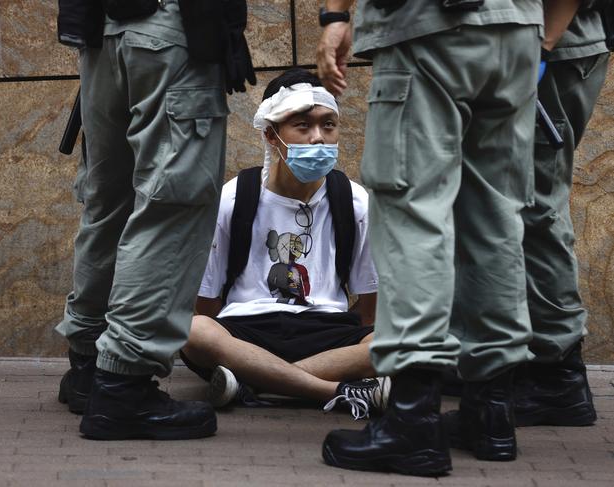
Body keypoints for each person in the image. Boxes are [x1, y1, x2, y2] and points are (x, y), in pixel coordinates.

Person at [316, 0, 583, 477]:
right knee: (496, 220)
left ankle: (413, 421)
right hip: (517, 30)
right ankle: (491, 413)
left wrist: (335, 17)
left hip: (428, 28)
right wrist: (541, 37)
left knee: (413, 215)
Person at [56, 1, 233, 440]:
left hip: (101, 31)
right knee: (171, 205)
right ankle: (123, 386)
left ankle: (88, 367)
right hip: (169, 26)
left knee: (108, 202)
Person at [180, 68, 388, 419]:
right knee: (191, 329)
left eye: (328, 125)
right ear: (271, 135)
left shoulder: (354, 201)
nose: (318, 138)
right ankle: (334, 390)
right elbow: (206, 302)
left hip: (326, 331)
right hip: (246, 331)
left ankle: (252, 384)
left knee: (388, 343)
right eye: (303, 126)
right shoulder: (233, 198)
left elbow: (370, 309)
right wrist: (236, 347)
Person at [515, 3, 610, 427]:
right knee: (519, 208)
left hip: (549, 49)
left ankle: (558, 374)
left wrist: (541, 46)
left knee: (536, 207)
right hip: (546, 45)